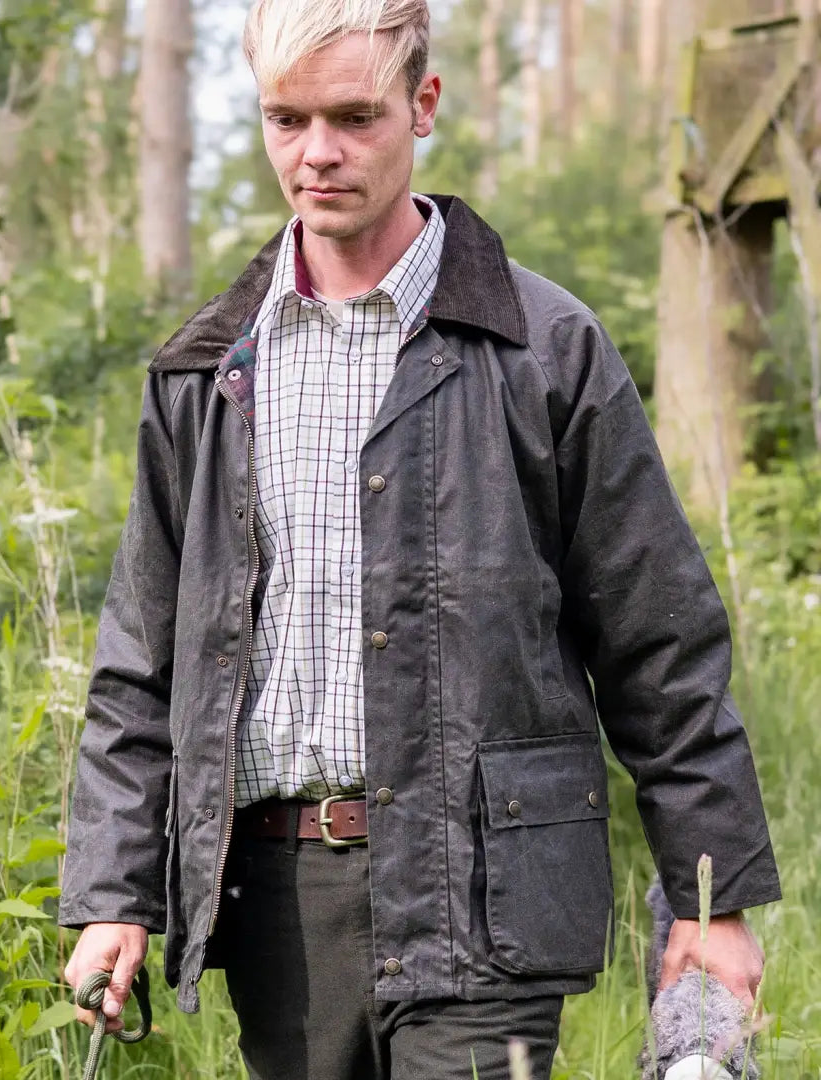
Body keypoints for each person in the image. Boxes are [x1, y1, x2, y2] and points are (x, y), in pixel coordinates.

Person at [59, 2, 781, 1077]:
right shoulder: (208, 373)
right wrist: (114, 895)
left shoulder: (546, 349)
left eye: (354, 116)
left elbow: (660, 643)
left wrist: (711, 898)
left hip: (486, 891)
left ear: (423, 105)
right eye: (286, 119)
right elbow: (142, 660)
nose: (318, 154)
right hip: (279, 908)